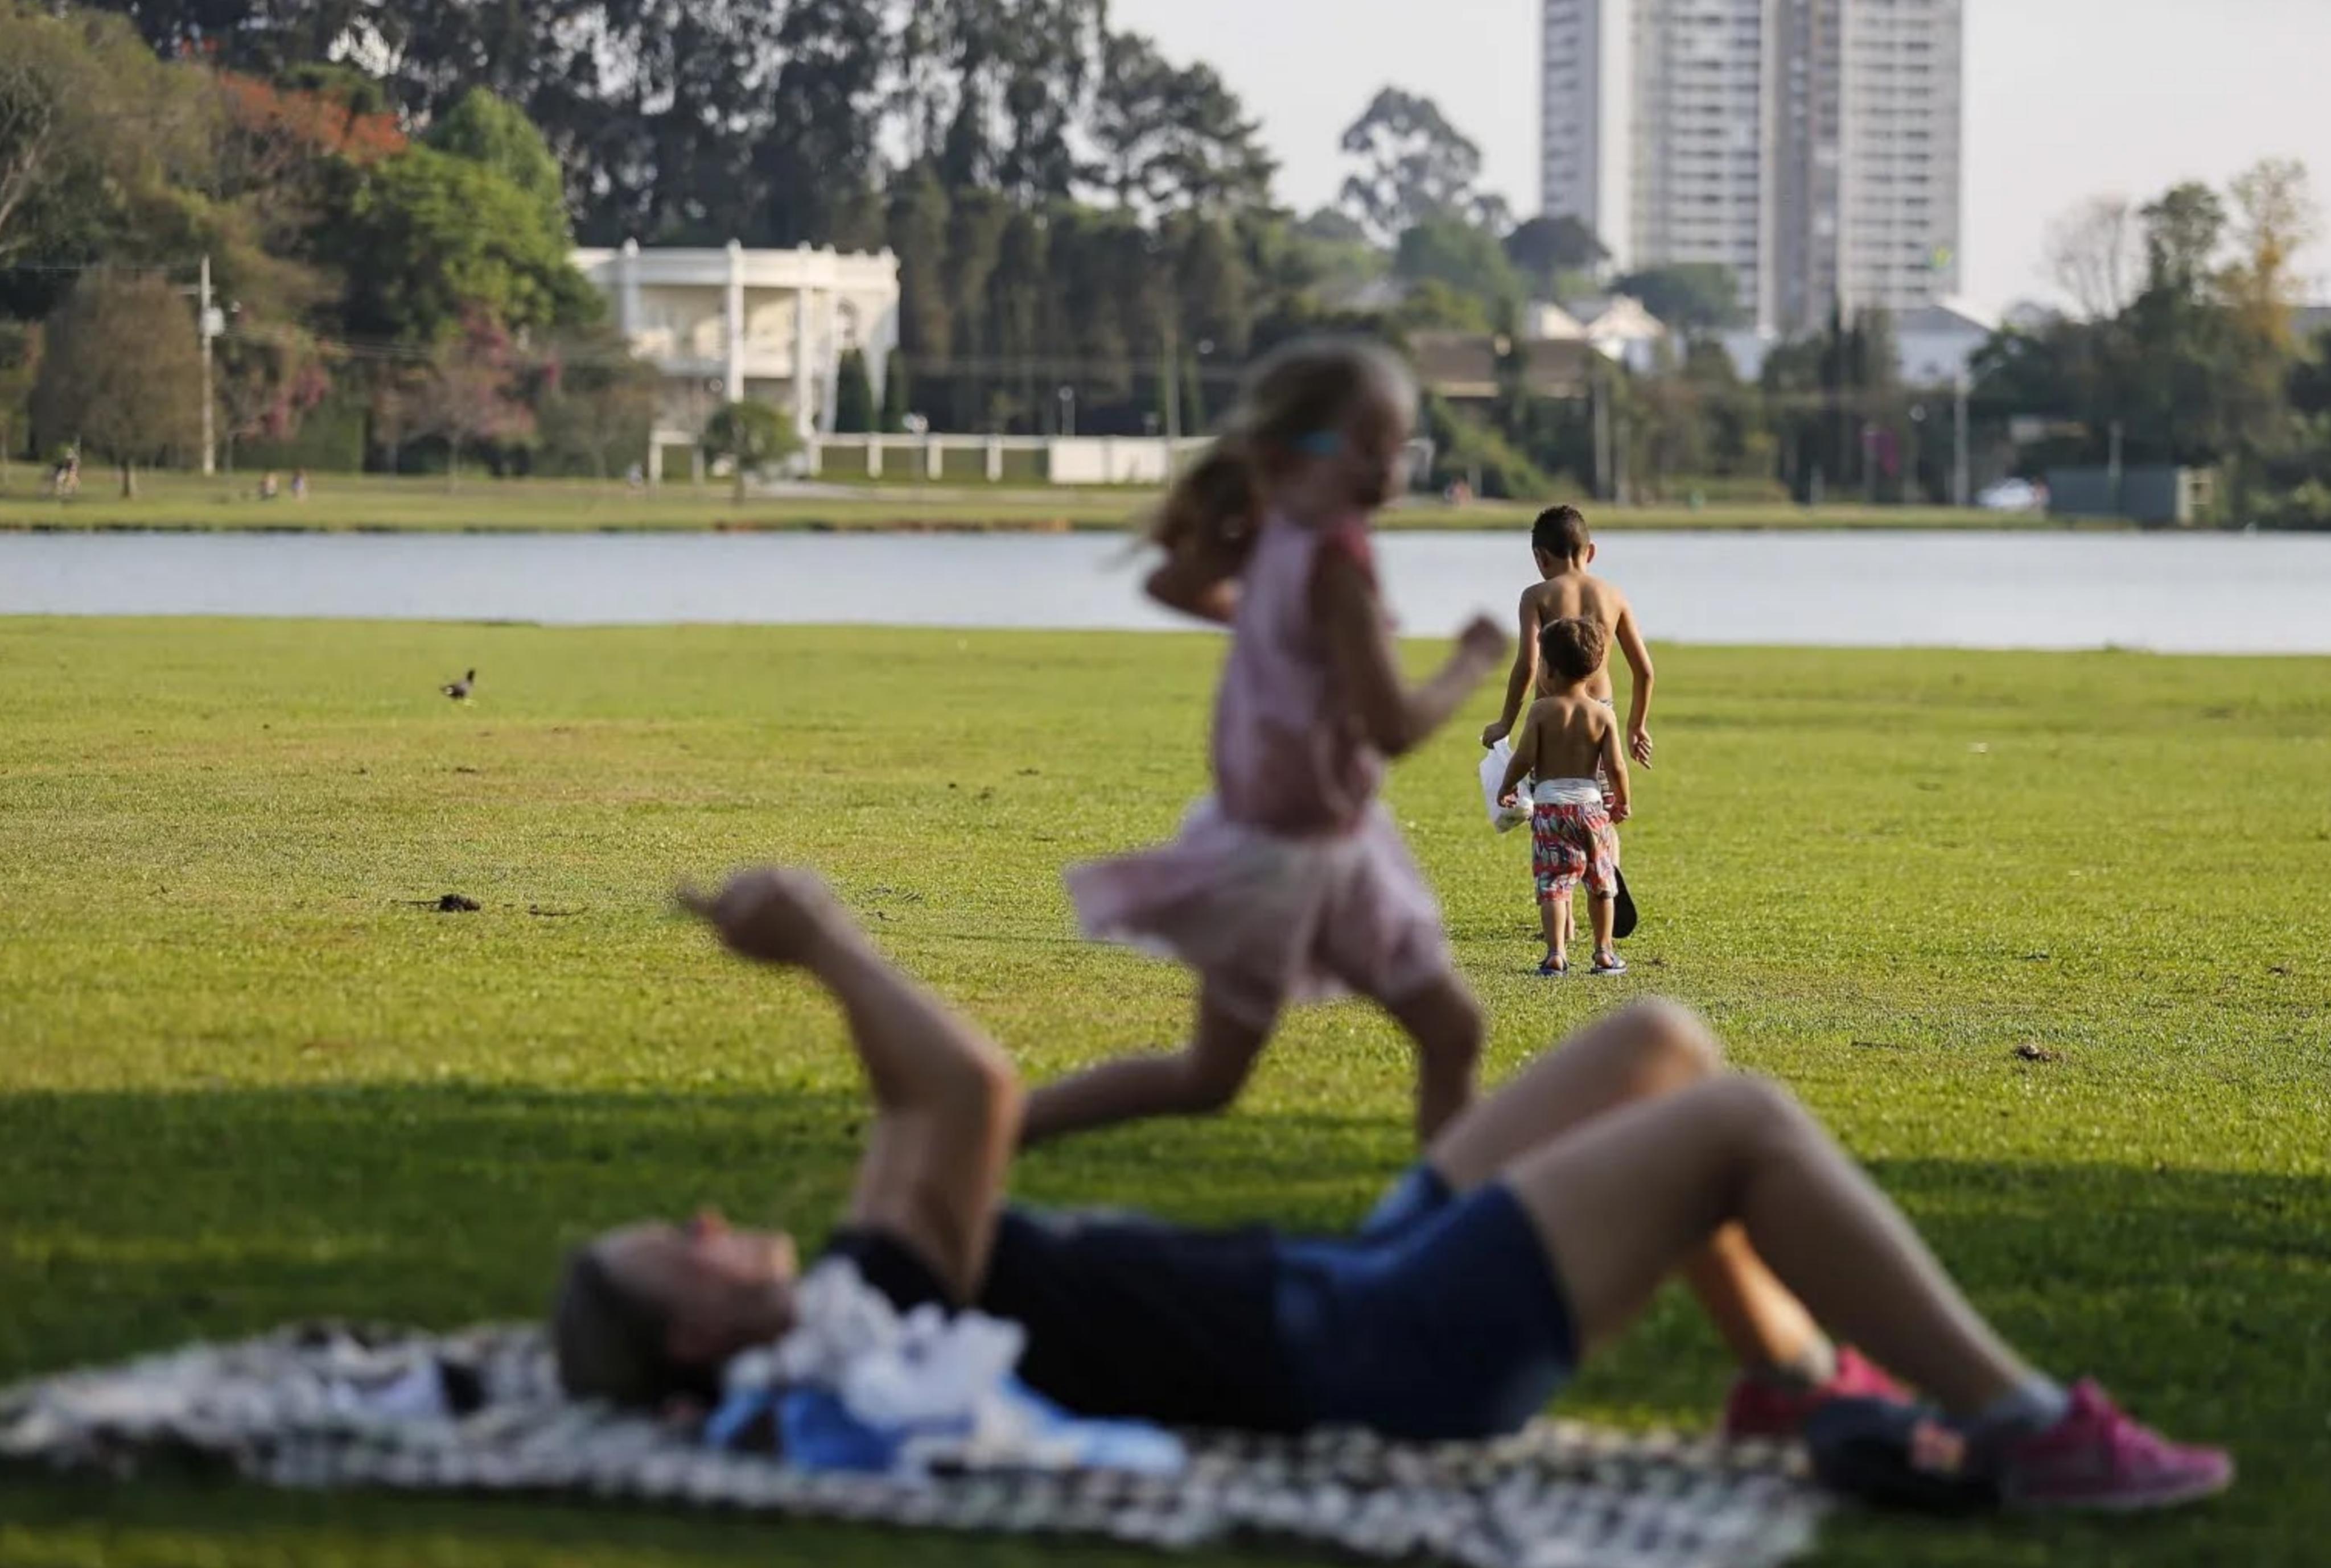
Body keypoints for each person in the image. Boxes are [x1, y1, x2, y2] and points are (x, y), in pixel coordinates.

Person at [554, 866, 2234, 1513]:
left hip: (1337, 1282)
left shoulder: (864, 1289)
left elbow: (936, 1103)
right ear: (698, 1338)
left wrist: (826, 961)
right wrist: (826, 945)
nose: (707, 1224)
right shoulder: (882, 1329)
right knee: (1744, 1129)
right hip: (1380, 1353)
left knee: (1654, 1036)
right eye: (676, 1251)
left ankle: (1794, 1390)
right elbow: (971, 1091)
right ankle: (2028, 1423)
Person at [1020, 337, 1510, 1148]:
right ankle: (998, 1128)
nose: (1388, 468)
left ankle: (1444, 1225)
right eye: (1368, 446)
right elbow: (1393, 729)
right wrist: (1472, 661)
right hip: (1282, 864)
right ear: (1294, 455)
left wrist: (1272, 628)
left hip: (1329, 850)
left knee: (1444, 1032)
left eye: (1397, 447)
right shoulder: (1335, 558)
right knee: (1221, 1077)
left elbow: (1170, 582)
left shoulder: (1280, 534)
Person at [1480, 505, 1656, 779]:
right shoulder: (1614, 596)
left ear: (1540, 557)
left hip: (1551, 711)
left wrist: (1506, 723)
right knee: (1598, 805)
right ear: (1592, 552)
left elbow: (1528, 664)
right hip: (1599, 712)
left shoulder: (1536, 597)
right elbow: (1644, 671)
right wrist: (1637, 725)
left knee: (1553, 802)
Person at [1498, 617, 1629, 977]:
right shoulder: (1602, 713)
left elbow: (1524, 758)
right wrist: (1622, 800)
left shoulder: (1541, 711)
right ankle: (1604, 952)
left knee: (1554, 885)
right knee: (1602, 883)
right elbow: (1615, 765)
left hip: (1550, 811)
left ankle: (1556, 954)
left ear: (1549, 671)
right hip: (1592, 809)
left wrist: (1507, 785)